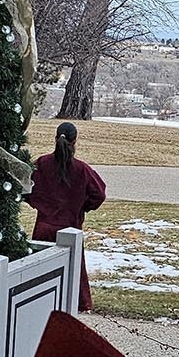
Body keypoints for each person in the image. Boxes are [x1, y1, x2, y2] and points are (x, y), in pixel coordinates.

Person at [25, 122, 108, 312]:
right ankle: (77, 305)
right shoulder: (82, 169)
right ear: (75, 141)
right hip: (70, 228)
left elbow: (26, 188)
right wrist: (82, 207)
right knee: (74, 271)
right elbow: (99, 194)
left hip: (43, 227)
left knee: (39, 268)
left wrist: (39, 203)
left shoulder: (41, 164)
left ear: (56, 139)